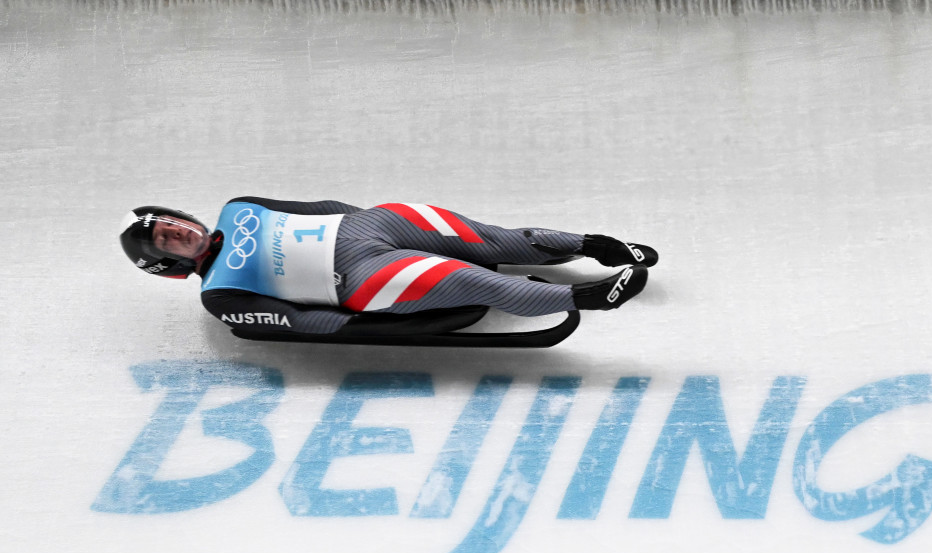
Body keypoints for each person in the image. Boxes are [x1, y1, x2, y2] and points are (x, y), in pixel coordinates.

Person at [118, 196, 658, 341]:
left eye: (172, 221)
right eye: (167, 238)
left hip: (368, 227)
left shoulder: (238, 207)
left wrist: (361, 219)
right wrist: (368, 326)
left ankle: (597, 245)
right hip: (358, 281)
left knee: (490, 238)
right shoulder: (219, 294)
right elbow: (295, 323)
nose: (179, 230)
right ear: (167, 262)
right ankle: (589, 296)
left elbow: (314, 206)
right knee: (476, 281)